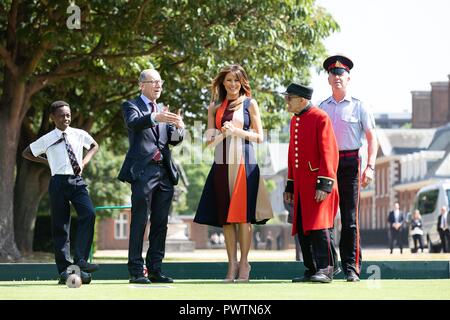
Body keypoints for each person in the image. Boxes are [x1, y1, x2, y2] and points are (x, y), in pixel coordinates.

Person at [194, 64, 273, 282]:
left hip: (244, 163)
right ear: (222, 82)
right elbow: (209, 143)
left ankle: (245, 264)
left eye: (236, 80)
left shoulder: (250, 103)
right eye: (228, 80)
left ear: (242, 82)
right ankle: (231, 266)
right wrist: (222, 133)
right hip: (221, 164)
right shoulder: (214, 106)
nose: (232, 84)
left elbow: (260, 137)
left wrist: (237, 130)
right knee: (226, 219)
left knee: (243, 217)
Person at [118, 69, 185, 284]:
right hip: (143, 171)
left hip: (164, 171)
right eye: (153, 82)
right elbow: (134, 123)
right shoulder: (131, 106)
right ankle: (136, 271)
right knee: (139, 220)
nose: (158, 85)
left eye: (160, 82)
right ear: (141, 85)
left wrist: (178, 129)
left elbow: (171, 141)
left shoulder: (163, 110)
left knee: (160, 223)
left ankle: (155, 269)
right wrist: (156, 117)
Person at [22, 100, 99, 285]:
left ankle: (80, 259)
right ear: (52, 118)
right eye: (62, 115)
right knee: (61, 227)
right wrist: (47, 162)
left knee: (89, 213)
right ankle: (65, 270)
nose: (66, 118)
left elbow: (94, 145)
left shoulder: (79, 134)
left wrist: (85, 162)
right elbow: (26, 153)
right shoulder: (47, 138)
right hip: (57, 182)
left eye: (68, 114)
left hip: (76, 180)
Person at [319, 54, 378, 282]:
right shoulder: (322, 107)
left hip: (351, 163)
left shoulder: (359, 106)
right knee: (326, 217)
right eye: (333, 74)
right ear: (328, 79)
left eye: (341, 74)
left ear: (348, 77)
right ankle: (329, 266)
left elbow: (372, 139)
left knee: (350, 219)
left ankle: (352, 267)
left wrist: (371, 166)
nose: (337, 78)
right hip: (328, 164)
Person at [283, 83, 340, 283]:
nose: (286, 101)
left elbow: (329, 153)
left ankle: (326, 269)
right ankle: (312, 268)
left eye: (289, 97)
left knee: (319, 226)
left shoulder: (320, 117)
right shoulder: (294, 121)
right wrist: (290, 184)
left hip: (318, 184)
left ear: (302, 99)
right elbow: (292, 155)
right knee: (302, 227)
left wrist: (324, 184)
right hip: (301, 186)